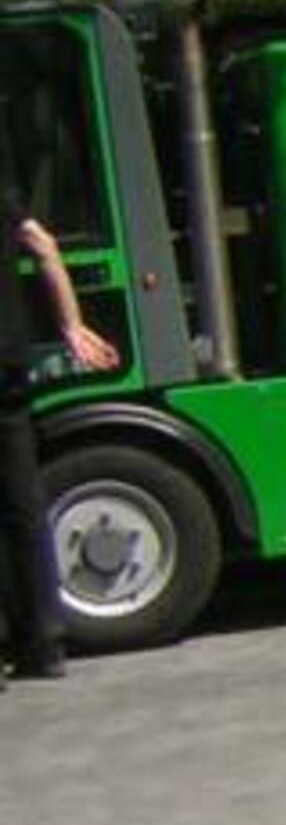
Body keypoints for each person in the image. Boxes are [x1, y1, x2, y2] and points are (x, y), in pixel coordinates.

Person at [1, 140, 119, 687]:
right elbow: (41, 242)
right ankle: (43, 643)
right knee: (22, 501)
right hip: (7, 360)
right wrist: (71, 325)